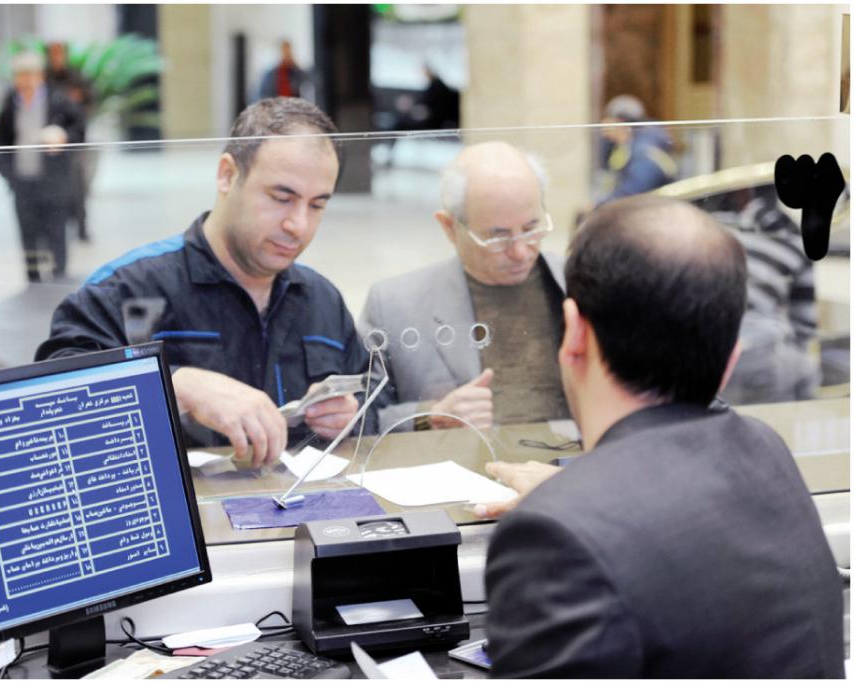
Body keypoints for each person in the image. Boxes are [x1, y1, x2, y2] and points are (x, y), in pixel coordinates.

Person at [481, 196, 844, 677]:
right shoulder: (764, 449)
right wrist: (578, 498)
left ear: (572, 334)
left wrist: (574, 505)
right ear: (731, 354)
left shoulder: (551, 536)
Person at [36, 97, 364, 467]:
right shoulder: (127, 289)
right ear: (227, 175)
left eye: (317, 205)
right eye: (281, 197)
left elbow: (375, 404)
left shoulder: (322, 302)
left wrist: (347, 416)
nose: (299, 225)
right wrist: (178, 386)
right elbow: (52, 402)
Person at [359, 142, 569, 432]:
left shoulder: (582, 286)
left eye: (532, 228)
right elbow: (360, 421)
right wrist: (429, 415)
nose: (521, 251)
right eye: (498, 237)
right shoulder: (396, 305)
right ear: (449, 228)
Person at [710, 186, 821, 403]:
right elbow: (805, 326)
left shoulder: (707, 229)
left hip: (713, 353)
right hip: (768, 356)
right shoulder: (794, 236)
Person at [0, 50, 85, 282]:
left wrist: (63, 136)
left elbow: (80, 130)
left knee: (56, 234)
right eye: (20, 75)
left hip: (54, 183)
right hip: (23, 182)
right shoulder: (9, 103)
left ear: (40, 76)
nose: (24, 81)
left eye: (29, 75)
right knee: (28, 236)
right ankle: (33, 281)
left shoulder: (58, 99)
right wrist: (9, 176)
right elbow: (0, 143)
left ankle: (58, 280)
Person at [45, 41, 95, 243]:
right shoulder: (45, 78)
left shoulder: (76, 77)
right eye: (53, 54)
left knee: (78, 188)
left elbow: (88, 103)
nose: (57, 58)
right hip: (49, 143)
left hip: (73, 142)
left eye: (60, 54)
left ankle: (82, 229)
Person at [596, 94, 677, 205]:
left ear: (620, 122)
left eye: (607, 119)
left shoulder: (644, 150)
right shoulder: (625, 148)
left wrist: (598, 206)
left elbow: (633, 191)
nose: (603, 126)